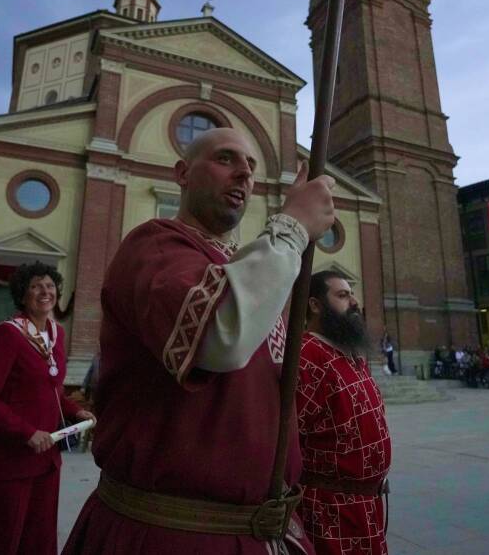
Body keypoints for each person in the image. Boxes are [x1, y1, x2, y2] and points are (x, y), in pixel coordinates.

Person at [64, 127, 335, 555]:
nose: (244, 174)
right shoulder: (153, 248)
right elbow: (219, 336)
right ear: (182, 173)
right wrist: (293, 228)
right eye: (225, 159)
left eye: (250, 166)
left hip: (261, 532)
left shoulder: (250, 270)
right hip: (171, 534)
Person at [0, 263, 94, 554]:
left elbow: (52, 390)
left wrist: (75, 411)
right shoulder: (8, 334)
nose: (45, 291)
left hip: (46, 459)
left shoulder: (57, 333)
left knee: (38, 539)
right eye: (35, 286)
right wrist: (26, 432)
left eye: (49, 285)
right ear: (22, 295)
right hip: (10, 459)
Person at [296, 270, 391, 555]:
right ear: (315, 305)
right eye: (342, 295)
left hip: (367, 505)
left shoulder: (349, 352)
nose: (354, 302)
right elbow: (285, 436)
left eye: (352, 293)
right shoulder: (307, 356)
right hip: (330, 511)